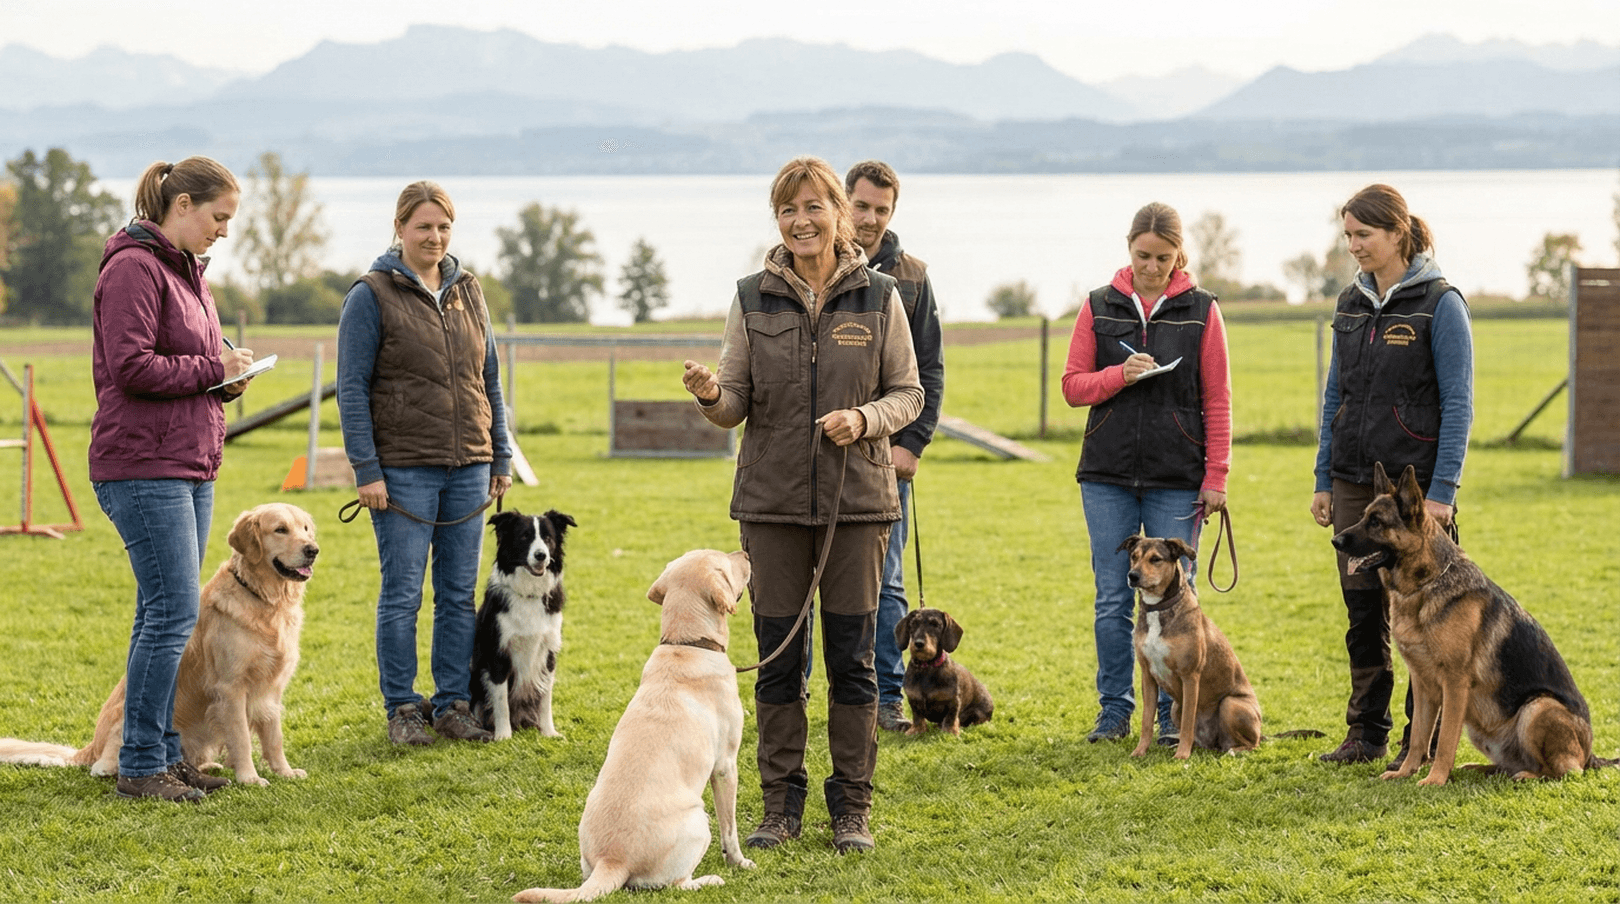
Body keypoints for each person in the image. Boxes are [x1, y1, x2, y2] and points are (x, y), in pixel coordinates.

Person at [681, 156, 922, 855]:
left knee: (853, 660)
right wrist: (707, 395)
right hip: (773, 508)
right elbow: (732, 405)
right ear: (778, 220)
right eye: (789, 210)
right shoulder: (751, 298)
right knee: (780, 663)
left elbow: (908, 392)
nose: (801, 221)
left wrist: (867, 420)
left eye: (814, 207)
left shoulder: (880, 297)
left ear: (839, 215)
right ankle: (778, 807)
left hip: (859, 507)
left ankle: (852, 809)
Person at [90, 156, 255, 801]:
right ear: (181, 204)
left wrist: (227, 379)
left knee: (163, 615)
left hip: (186, 462)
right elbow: (132, 366)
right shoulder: (134, 267)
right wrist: (209, 367)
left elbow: (189, 371)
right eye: (218, 217)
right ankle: (140, 766)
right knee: (171, 614)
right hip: (141, 465)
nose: (223, 230)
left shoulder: (188, 275)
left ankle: (160, 751)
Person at [338, 181, 513, 747]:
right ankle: (402, 708)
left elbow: (489, 379)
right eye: (423, 227)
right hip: (403, 470)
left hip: (470, 464)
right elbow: (352, 388)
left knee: (459, 595)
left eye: (443, 227)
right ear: (399, 229)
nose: (434, 237)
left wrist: (500, 454)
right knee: (403, 594)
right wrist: (367, 469)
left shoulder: (469, 290)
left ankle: (453, 705)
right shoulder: (370, 294)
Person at [1311, 183, 1473, 766]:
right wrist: (1323, 478)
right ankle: (1365, 732)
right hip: (1355, 480)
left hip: (1414, 494)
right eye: (1348, 235)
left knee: (1429, 616)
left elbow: (1459, 403)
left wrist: (1442, 493)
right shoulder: (1349, 304)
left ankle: (1419, 739)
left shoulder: (1440, 302)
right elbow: (1335, 396)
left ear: (1397, 233)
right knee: (1363, 612)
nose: (1354, 246)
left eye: (1364, 235)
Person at [1061, 201, 1232, 747]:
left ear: (1179, 254)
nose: (1152, 267)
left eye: (1162, 257)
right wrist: (1117, 376)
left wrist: (1217, 476)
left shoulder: (1203, 310)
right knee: (1112, 598)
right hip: (1106, 474)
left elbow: (1218, 399)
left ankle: (1171, 720)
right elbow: (1071, 386)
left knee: (1181, 597)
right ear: (1128, 248)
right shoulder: (1098, 306)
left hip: (1177, 477)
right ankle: (1114, 712)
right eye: (1142, 256)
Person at [844, 160, 945, 734]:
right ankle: (799, 693)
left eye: (882, 210)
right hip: (824, 448)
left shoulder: (913, 277)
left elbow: (929, 368)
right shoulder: (818, 263)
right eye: (861, 206)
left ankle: (887, 697)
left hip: (887, 455)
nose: (871, 219)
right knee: (809, 581)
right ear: (843, 203)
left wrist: (913, 444)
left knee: (887, 581)